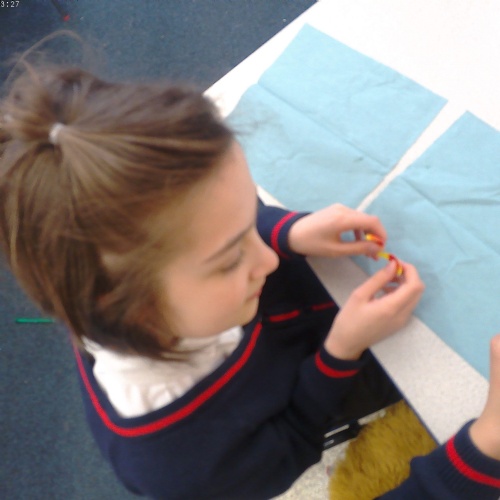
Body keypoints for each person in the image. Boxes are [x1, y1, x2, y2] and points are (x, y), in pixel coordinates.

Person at [0, 64, 499, 500]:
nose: (269, 260)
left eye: (248, 228)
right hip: (335, 378)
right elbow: (293, 441)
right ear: (132, 307)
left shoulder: (125, 278)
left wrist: (288, 231)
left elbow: (218, 224)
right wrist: (340, 354)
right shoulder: (180, 464)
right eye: (229, 259)